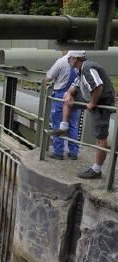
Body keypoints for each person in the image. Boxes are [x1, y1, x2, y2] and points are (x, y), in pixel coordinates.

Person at [48, 50, 116, 179]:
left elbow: (98, 86)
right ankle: (63, 127)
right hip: (89, 97)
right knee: (67, 99)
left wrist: (92, 102)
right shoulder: (80, 69)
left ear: (75, 59)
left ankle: (96, 170)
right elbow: (76, 84)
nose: (67, 61)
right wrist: (69, 93)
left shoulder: (88, 68)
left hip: (101, 103)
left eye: (69, 59)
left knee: (101, 138)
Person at [44, 51, 79, 160]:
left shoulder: (61, 61)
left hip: (60, 96)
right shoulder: (79, 62)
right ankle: (74, 152)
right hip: (74, 96)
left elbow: (49, 77)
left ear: (65, 51)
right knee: (73, 124)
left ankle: (58, 152)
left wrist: (44, 81)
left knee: (58, 124)